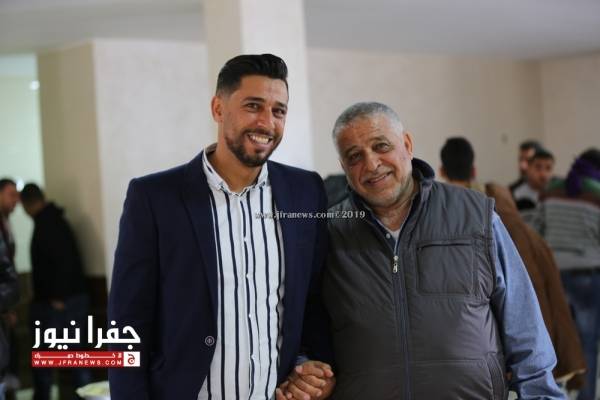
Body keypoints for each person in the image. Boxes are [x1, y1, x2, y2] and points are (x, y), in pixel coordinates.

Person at [108, 54, 334, 400]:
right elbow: (127, 322)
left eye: (278, 111)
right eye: (253, 106)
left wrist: (311, 366)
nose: (267, 122)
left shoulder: (306, 192)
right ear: (218, 108)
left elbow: (313, 300)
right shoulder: (154, 198)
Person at [323, 102, 565, 399]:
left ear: (407, 144)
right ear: (344, 167)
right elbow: (305, 329)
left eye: (381, 146)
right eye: (354, 156)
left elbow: (524, 326)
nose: (371, 164)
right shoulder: (329, 233)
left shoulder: (476, 216)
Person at [440, 137, 586, 386]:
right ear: (474, 170)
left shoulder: (437, 214)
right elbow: (527, 278)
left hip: (463, 335)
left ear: (441, 171)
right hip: (505, 325)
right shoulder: (497, 205)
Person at [536, 148, 600, 400]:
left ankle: (554, 394)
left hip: (554, 276)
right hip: (587, 277)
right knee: (587, 342)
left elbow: (537, 231)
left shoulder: (550, 191)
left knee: (555, 341)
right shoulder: (596, 194)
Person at [20, 183, 92, 400]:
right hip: (71, 299)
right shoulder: (55, 220)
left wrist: (57, 297)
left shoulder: (47, 225)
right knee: (77, 358)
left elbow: (60, 263)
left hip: (62, 303)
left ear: (26, 205)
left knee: (55, 360)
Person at [0, 179, 20, 400]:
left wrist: (6, 306)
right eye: (11, 194)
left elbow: (8, 275)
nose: (16, 201)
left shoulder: (5, 224)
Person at [512, 148, 555, 212]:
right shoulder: (514, 195)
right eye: (538, 167)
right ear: (529, 169)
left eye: (548, 168)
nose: (543, 174)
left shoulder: (557, 194)